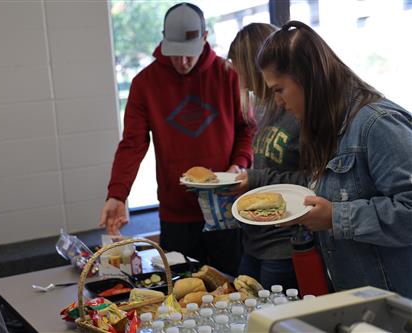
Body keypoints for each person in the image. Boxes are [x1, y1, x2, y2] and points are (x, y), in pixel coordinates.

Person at [256, 20, 412, 297]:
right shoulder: (326, 126)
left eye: (279, 89)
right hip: (360, 298)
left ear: (307, 78)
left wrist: (336, 217)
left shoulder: (378, 124)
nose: (277, 102)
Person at [99, 3, 255, 273]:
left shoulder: (228, 75)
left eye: (189, 55)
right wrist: (117, 194)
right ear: (163, 39)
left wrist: (238, 165)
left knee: (232, 286)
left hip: (225, 209)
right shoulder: (145, 83)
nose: (182, 62)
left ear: (205, 39)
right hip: (176, 213)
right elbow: (132, 145)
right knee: (181, 291)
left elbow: (247, 128)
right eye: (176, 54)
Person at [226, 23, 306, 290]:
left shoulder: (298, 111)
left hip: (284, 246)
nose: (239, 78)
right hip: (255, 242)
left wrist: (255, 179)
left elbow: (314, 180)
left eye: (239, 69)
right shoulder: (266, 111)